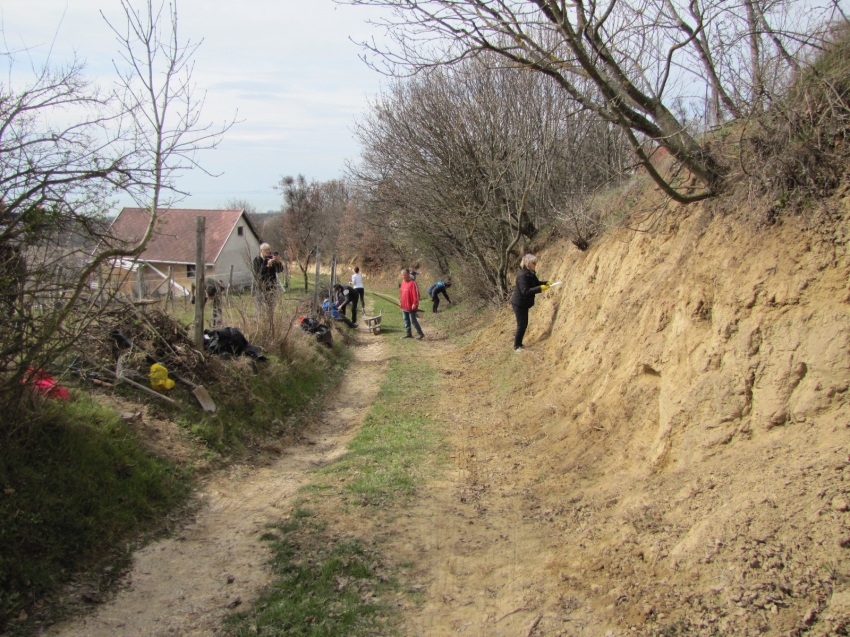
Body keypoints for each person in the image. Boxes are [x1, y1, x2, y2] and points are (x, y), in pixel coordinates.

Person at [510, 254, 550, 352]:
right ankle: (517, 347)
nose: (535, 264)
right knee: (521, 325)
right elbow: (525, 291)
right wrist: (540, 289)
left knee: (524, 324)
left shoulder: (530, 273)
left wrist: (545, 283)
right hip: (519, 303)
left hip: (524, 303)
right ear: (528, 263)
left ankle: (519, 344)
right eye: (534, 263)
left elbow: (536, 283)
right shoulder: (522, 275)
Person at [253, 243, 282, 310]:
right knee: (260, 305)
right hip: (261, 286)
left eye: (269, 249)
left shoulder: (271, 259)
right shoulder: (257, 260)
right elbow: (259, 273)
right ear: (261, 251)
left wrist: (278, 262)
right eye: (266, 250)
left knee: (272, 305)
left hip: (271, 285)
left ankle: (270, 319)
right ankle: (258, 319)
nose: (268, 251)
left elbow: (280, 270)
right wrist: (268, 265)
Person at [399, 268, 424, 340]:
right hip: (404, 305)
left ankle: (420, 333)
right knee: (406, 319)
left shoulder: (413, 283)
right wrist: (401, 302)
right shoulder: (403, 283)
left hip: (411, 305)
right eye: (402, 275)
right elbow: (402, 293)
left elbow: (416, 294)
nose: (403, 277)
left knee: (413, 320)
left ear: (408, 274)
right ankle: (408, 333)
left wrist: (415, 303)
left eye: (404, 275)